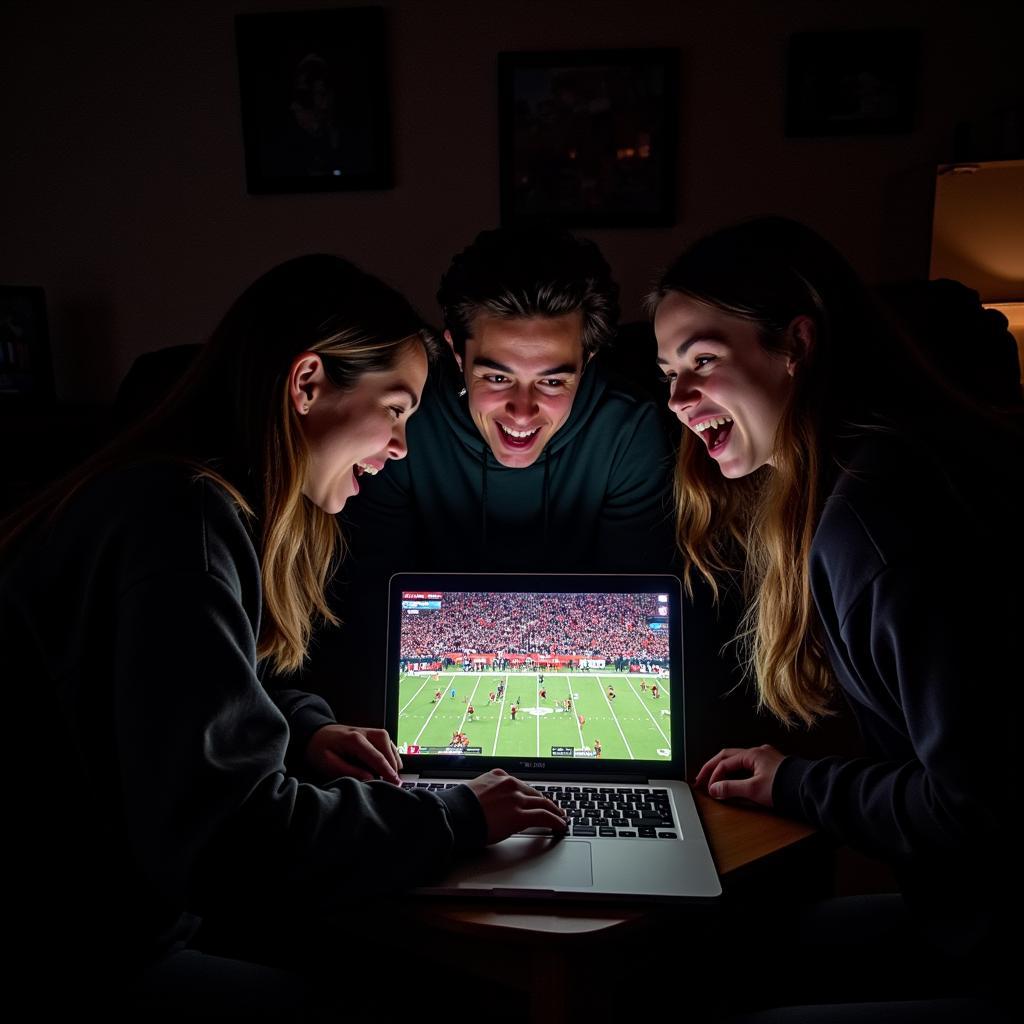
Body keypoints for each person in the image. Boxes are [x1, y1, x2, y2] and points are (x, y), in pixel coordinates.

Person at [0, 254, 566, 1016]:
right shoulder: (178, 520)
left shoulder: (173, 495)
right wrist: (454, 817)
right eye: (396, 409)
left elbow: (185, 699)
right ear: (306, 384)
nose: (401, 445)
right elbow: (230, 843)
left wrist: (303, 732)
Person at [651, 217, 1020, 1017]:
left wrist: (800, 783)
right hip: (962, 920)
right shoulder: (873, 476)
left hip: (1000, 943)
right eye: (669, 370)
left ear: (796, 345)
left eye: (703, 361)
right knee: (691, 959)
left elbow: (976, 807)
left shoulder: (880, 521)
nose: (677, 397)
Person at [315, 225, 676, 724]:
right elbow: (372, 604)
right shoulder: (401, 426)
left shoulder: (628, 430)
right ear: (456, 355)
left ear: (587, 363)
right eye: (497, 376)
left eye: (552, 380)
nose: (522, 412)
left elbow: (638, 614)